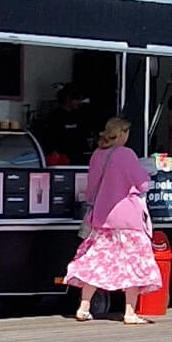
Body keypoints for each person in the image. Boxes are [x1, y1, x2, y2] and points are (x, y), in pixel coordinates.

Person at [64, 117, 161, 324]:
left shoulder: (97, 155)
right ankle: (130, 313)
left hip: (101, 217)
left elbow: (91, 189)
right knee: (134, 263)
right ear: (123, 133)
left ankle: (83, 307)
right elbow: (143, 184)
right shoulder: (126, 154)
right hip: (127, 218)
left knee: (97, 260)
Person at [38, 84, 99, 165]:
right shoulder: (54, 117)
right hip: (63, 158)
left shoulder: (82, 115)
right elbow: (49, 138)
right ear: (68, 98)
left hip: (80, 156)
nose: (80, 102)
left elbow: (88, 133)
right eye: (77, 99)